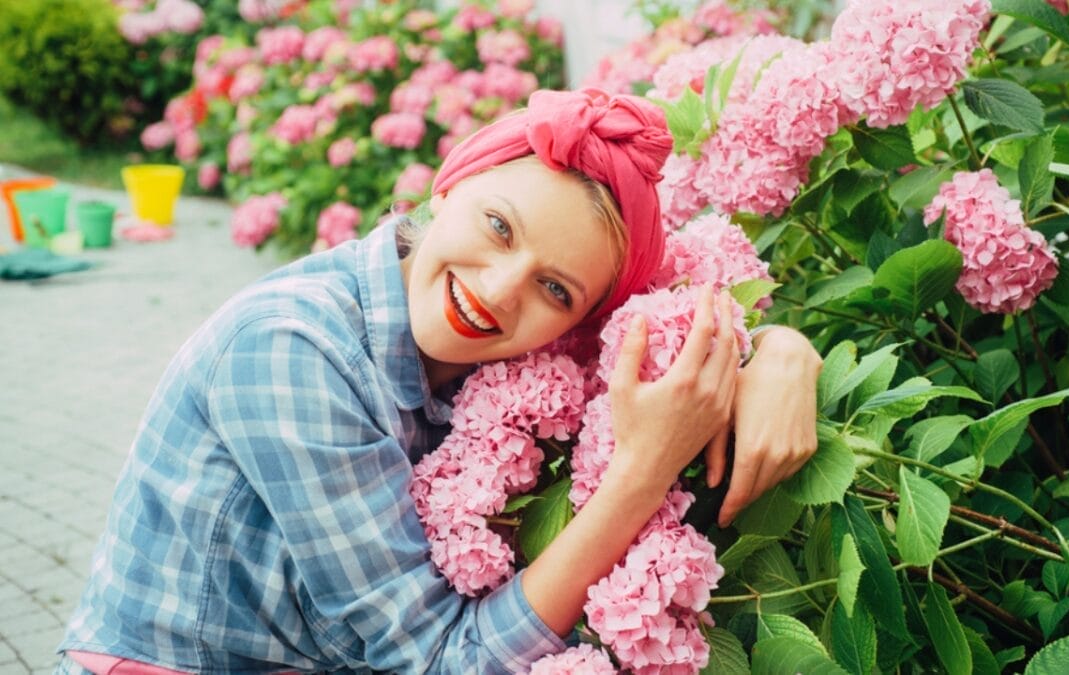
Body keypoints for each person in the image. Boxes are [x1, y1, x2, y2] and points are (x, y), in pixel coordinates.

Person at [55, 88, 822, 674]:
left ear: (577, 323)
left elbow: (685, 308)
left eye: (556, 289)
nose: (498, 289)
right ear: (451, 186)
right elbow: (434, 661)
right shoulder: (292, 350)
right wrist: (644, 472)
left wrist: (782, 351)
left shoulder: (499, 355)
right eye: (499, 226)